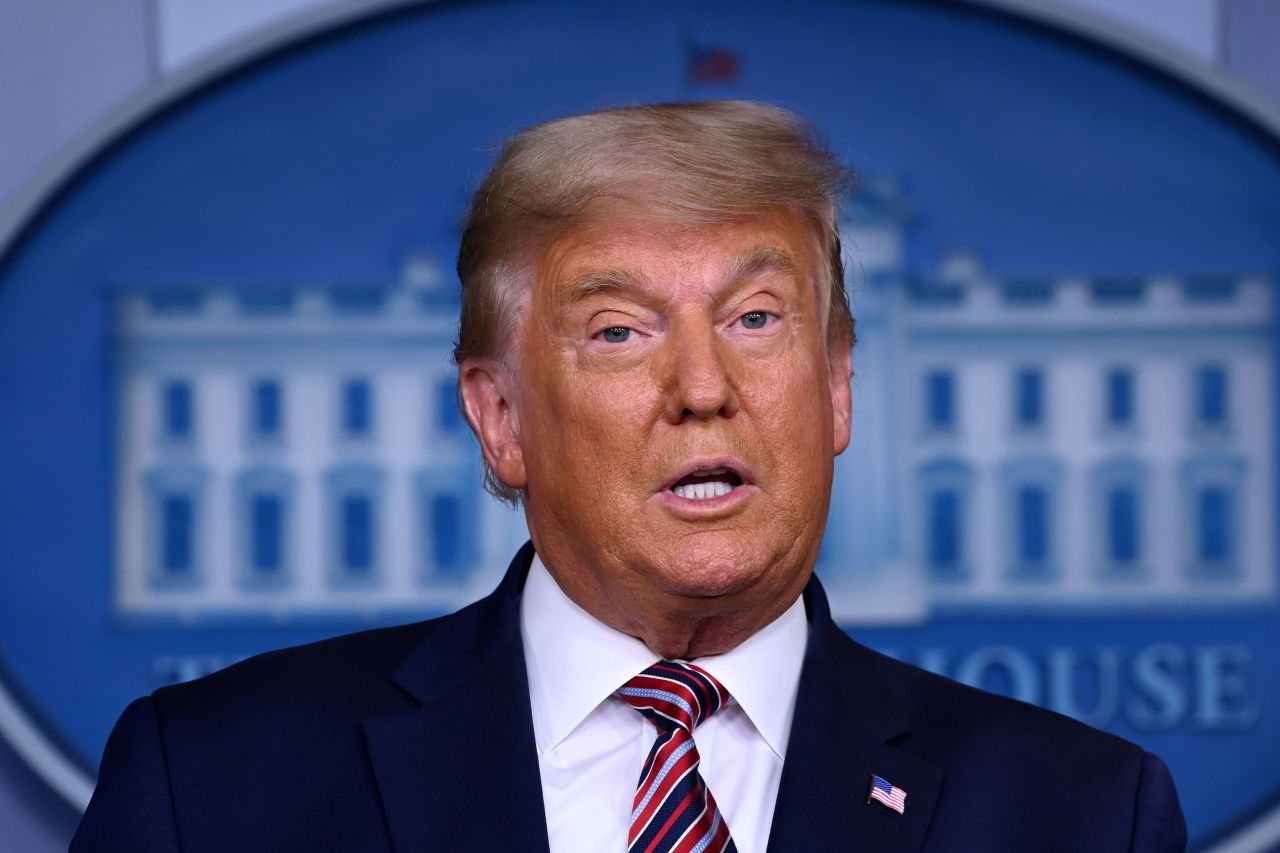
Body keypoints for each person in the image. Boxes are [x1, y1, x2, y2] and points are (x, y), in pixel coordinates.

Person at [72, 101, 1186, 852]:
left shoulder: (1083, 814)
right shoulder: (211, 789)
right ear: (498, 417)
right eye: (617, 332)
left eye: (755, 318)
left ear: (837, 386)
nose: (702, 386)